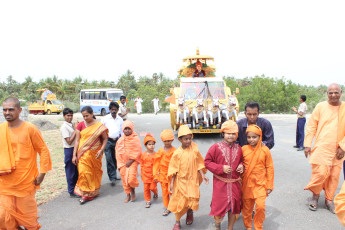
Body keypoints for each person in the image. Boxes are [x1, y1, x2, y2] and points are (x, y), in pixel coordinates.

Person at [0, 97, 52, 229]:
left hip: (25, 182)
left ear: (19, 110)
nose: (7, 112)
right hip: (4, 184)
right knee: (4, 217)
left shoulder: (30, 129)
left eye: (11, 109)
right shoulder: (1, 129)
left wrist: (42, 173)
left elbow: (43, 150)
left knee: (29, 220)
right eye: (4, 110)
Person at [304, 83, 345, 213]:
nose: (333, 95)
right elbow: (311, 126)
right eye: (330, 93)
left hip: (339, 150)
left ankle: (329, 200)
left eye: (336, 92)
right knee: (320, 173)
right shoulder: (320, 106)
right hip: (322, 147)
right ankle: (315, 197)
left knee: (334, 176)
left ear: (341, 93)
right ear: (327, 93)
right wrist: (307, 144)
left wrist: (343, 147)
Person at [205, 120, 244, 230]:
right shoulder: (215, 147)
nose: (231, 136)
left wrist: (242, 166)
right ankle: (217, 226)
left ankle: (230, 228)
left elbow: (242, 161)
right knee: (219, 207)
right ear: (223, 133)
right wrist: (221, 168)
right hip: (220, 184)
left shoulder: (239, 148)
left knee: (233, 208)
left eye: (233, 134)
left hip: (235, 184)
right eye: (228, 133)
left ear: (236, 135)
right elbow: (207, 162)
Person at [168, 125, 209, 230]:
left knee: (192, 199)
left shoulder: (194, 149)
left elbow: (199, 163)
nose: (188, 141)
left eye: (190, 138)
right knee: (179, 201)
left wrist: (203, 175)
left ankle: (189, 213)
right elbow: (173, 170)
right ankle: (177, 222)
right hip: (180, 181)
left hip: (192, 180)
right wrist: (172, 183)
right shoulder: (177, 153)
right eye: (186, 139)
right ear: (180, 139)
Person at [72, 106, 108, 204]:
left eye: (87, 116)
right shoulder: (80, 125)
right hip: (82, 154)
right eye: (84, 116)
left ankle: (93, 191)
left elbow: (105, 139)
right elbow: (77, 141)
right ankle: (86, 194)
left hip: (95, 154)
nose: (85, 118)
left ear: (92, 114)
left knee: (94, 173)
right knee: (84, 173)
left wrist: (101, 150)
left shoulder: (99, 126)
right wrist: (74, 155)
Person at [241, 125, 274, 230]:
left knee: (260, 207)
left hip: (260, 184)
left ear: (260, 137)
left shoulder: (265, 150)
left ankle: (258, 226)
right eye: (249, 137)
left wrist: (269, 185)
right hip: (246, 184)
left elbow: (270, 168)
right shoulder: (243, 149)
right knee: (247, 209)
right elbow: (238, 164)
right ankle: (248, 226)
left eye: (254, 137)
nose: (251, 140)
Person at [115, 120, 142, 203]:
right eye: (125, 129)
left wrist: (131, 161)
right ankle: (128, 194)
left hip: (132, 161)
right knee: (124, 179)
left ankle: (133, 191)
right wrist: (119, 164)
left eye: (129, 129)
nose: (127, 130)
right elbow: (117, 152)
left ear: (132, 129)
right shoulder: (120, 140)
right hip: (122, 163)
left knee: (130, 179)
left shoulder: (135, 138)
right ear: (122, 130)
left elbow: (138, 151)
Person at [153, 129, 176, 216]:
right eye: (165, 141)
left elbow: (177, 164)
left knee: (173, 191)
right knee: (164, 192)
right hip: (162, 175)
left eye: (169, 141)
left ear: (172, 140)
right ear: (162, 141)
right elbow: (156, 163)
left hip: (172, 175)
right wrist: (155, 175)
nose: (167, 143)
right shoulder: (161, 150)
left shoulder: (175, 151)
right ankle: (167, 207)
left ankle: (174, 205)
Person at [101, 102, 123, 186]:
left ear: (117, 110)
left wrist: (122, 141)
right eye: (112, 109)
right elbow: (101, 130)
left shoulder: (120, 119)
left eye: (115, 109)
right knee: (109, 158)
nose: (114, 111)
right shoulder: (105, 119)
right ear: (109, 109)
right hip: (107, 141)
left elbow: (121, 131)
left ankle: (114, 175)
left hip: (117, 141)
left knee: (115, 158)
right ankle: (112, 177)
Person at [60, 108, 79, 197]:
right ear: (64, 116)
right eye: (68, 115)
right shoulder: (64, 127)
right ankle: (71, 190)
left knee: (76, 171)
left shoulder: (71, 125)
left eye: (71, 115)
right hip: (69, 149)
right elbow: (69, 141)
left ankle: (76, 189)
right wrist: (76, 130)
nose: (70, 117)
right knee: (70, 170)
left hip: (75, 149)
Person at [141, 134, 158, 208]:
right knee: (146, 189)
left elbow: (158, 166)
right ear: (145, 146)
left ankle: (155, 192)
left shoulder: (156, 155)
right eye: (149, 144)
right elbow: (142, 164)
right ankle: (148, 201)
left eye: (153, 144)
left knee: (152, 188)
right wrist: (142, 173)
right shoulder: (143, 155)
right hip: (145, 175)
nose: (151, 146)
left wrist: (157, 174)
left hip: (153, 176)